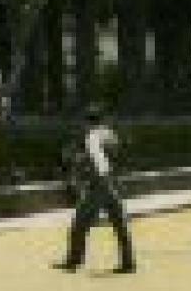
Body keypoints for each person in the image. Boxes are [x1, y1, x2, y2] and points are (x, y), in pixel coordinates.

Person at [56, 107, 136, 275]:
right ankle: (128, 261)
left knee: (80, 222)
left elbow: (97, 161)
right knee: (119, 222)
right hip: (113, 181)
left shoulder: (92, 136)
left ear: (87, 122)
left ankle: (73, 261)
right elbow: (118, 156)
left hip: (99, 184)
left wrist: (81, 166)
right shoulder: (110, 134)